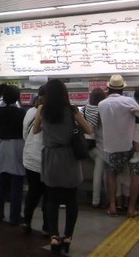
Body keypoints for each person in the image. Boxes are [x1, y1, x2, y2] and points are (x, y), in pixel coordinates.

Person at [33, 79, 92, 255]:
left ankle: (54, 237)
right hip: (69, 157)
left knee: (52, 199)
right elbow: (89, 129)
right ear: (64, 93)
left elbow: (35, 130)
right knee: (71, 199)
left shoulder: (43, 110)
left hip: (51, 157)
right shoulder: (72, 110)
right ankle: (67, 237)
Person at [98, 74, 139, 218]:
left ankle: (112, 206)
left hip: (112, 146)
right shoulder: (128, 101)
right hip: (131, 145)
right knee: (135, 176)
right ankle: (131, 209)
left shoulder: (102, 104)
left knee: (112, 174)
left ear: (109, 88)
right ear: (122, 88)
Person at [0, 84, 27, 225]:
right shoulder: (21, 112)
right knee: (16, 183)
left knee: (1, 181)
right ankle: (14, 217)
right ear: (17, 98)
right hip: (17, 147)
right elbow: (25, 131)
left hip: (1, 147)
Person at [21, 85, 48, 235]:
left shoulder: (30, 112)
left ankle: (26, 221)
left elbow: (25, 135)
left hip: (30, 157)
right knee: (48, 194)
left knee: (33, 191)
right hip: (46, 159)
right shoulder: (51, 113)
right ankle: (47, 227)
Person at [83, 87, 107, 208]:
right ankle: (98, 200)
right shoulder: (103, 110)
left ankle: (95, 200)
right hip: (101, 147)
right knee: (101, 174)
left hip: (89, 146)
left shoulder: (85, 108)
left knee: (98, 173)